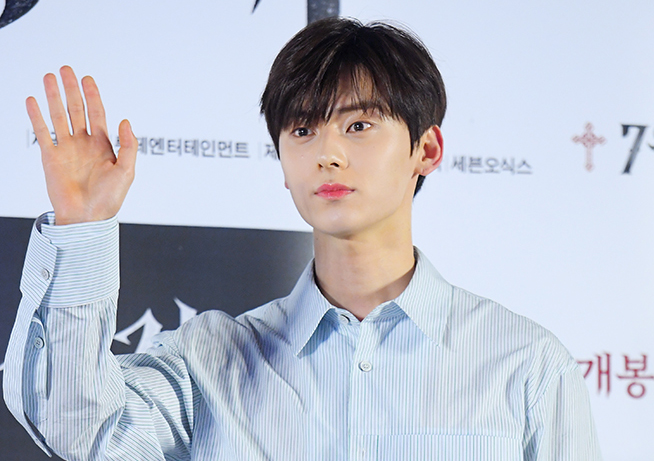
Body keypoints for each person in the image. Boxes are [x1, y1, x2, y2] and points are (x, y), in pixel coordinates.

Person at [4, 17, 601, 460]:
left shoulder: (523, 364)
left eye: (359, 125)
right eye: (302, 130)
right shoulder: (210, 362)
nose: (327, 154)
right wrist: (83, 226)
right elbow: (77, 431)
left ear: (426, 149)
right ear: (283, 162)